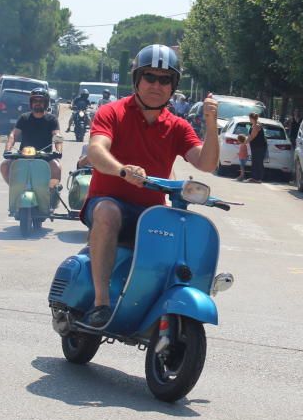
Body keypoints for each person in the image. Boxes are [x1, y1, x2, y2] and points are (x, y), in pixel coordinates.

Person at [81, 44, 219, 328]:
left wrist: (211, 122)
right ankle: (101, 303)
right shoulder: (112, 112)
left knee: (181, 234)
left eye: (165, 79)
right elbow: (96, 150)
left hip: (150, 212)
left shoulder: (178, 126)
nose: (157, 85)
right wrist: (122, 171)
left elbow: (205, 163)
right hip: (108, 202)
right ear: (137, 79)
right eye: (150, 77)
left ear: (173, 85)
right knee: (108, 211)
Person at [0, 88, 63, 187]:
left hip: (45, 157)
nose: (37, 103)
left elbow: (57, 135)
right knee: (4, 166)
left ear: (46, 103)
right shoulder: (24, 118)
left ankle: (51, 193)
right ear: (31, 103)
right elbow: (14, 135)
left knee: (56, 167)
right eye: (35, 101)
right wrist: (7, 149)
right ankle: (15, 188)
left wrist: (58, 150)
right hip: (23, 156)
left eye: (40, 101)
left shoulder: (52, 119)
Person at [246, 112, 267, 183]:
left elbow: (252, 136)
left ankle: (259, 178)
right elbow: (250, 135)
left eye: (249, 118)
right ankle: (254, 178)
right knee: (254, 161)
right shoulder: (254, 125)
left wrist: (244, 142)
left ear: (252, 118)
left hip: (259, 146)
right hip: (255, 146)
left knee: (258, 162)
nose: (249, 119)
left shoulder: (256, 125)